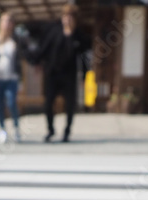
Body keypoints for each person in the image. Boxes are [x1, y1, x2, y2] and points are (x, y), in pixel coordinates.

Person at [30, 5, 91, 143]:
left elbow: (84, 58)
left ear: (75, 19)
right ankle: (50, 130)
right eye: (65, 16)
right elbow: (44, 49)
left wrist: (85, 76)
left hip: (69, 75)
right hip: (52, 74)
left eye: (70, 17)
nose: (67, 19)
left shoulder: (79, 36)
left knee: (70, 105)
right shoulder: (54, 32)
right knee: (48, 103)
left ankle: (67, 131)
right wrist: (37, 62)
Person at [0, 11, 24, 144]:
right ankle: (2, 130)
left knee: (11, 102)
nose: (6, 24)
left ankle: (16, 128)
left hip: (12, 78)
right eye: (4, 21)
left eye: (9, 21)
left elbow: (21, 59)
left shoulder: (16, 40)